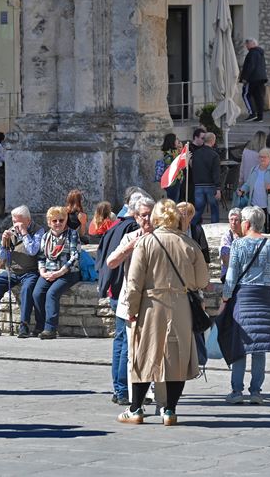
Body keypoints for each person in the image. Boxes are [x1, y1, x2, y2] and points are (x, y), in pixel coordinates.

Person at [118, 199, 210, 425]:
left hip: (150, 306)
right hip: (180, 306)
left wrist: (131, 309)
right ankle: (169, 410)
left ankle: (136, 409)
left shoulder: (146, 243)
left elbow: (134, 281)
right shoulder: (189, 244)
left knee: (144, 356)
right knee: (177, 359)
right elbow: (202, 280)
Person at [218, 206, 270, 405]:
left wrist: (224, 301)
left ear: (247, 223)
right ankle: (256, 392)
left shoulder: (238, 245)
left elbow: (232, 277)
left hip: (243, 299)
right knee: (259, 348)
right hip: (266, 299)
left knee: (240, 345)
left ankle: (236, 391)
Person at [105, 195, 155, 406]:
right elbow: (111, 262)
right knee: (126, 346)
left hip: (152, 302)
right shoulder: (130, 236)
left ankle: (145, 389)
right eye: (143, 215)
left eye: (151, 214)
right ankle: (122, 389)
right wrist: (133, 245)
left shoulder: (160, 238)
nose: (148, 219)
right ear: (135, 216)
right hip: (129, 299)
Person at [0, 205, 44, 337]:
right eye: (13, 221)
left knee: (27, 290)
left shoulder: (38, 231)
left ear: (28, 221)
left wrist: (24, 234)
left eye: (18, 222)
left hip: (30, 271)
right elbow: (2, 256)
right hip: (12, 271)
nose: (15, 225)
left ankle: (24, 326)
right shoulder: (12, 231)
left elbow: (33, 250)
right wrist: (3, 241)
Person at [32, 206, 82, 340]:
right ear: (49, 222)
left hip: (68, 272)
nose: (58, 223)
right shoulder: (45, 237)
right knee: (37, 293)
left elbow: (75, 256)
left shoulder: (72, 234)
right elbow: (41, 257)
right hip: (49, 272)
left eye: (61, 220)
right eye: (54, 221)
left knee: (52, 293)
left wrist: (60, 272)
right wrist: (42, 272)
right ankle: (40, 325)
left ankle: (50, 329)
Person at [238, 148, 270, 233]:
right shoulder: (254, 169)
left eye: (264, 157)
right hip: (256, 204)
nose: (262, 159)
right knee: (257, 227)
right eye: (260, 157)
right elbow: (248, 183)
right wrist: (242, 190)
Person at [191, 132, 221, 225]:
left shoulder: (196, 153)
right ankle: (214, 229)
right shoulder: (214, 155)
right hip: (210, 185)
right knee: (214, 210)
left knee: (198, 210)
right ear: (213, 141)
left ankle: (190, 229)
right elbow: (216, 172)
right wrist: (218, 188)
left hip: (198, 185)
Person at [240, 38, 268, 122]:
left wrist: (245, 78)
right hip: (261, 78)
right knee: (259, 97)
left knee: (245, 94)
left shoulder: (252, 53)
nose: (246, 46)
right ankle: (260, 116)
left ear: (252, 44)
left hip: (253, 78)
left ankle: (252, 113)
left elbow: (250, 66)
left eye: (247, 44)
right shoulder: (260, 53)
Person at [219, 208, 243, 283]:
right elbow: (226, 260)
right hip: (229, 273)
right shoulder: (226, 237)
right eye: (231, 219)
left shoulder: (245, 235)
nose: (233, 222)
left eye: (236, 220)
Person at [160, 133, 185, 202]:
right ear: (172, 141)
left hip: (173, 180)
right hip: (173, 180)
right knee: (173, 201)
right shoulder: (172, 153)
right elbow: (179, 166)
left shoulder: (168, 152)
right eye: (176, 139)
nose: (178, 141)